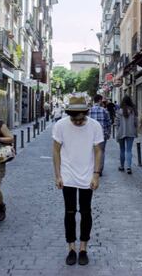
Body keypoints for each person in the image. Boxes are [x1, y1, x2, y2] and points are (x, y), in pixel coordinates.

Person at [52, 95, 103, 266]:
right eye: (75, 119)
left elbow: (98, 151)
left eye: (81, 119)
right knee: (69, 212)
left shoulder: (95, 126)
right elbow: (56, 151)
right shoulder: (60, 125)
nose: (78, 122)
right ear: (69, 114)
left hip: (87, 175)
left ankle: (83, 248)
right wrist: (58, 175)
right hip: (68, 175)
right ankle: (71, 248)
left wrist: (96, 174)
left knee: (86, 212)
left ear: (86, 113)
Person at [89, 94, 111, 176]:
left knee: (92, 151)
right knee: (101, 151)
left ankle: (93, 168)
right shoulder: (104, 110)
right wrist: (108, 133)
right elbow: (108, 123)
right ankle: (99, 169)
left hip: (91, 135)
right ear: (99, 100)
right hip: (102, 134)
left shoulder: (89, 110)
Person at [116, 95, 138, 174]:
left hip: (121, 132)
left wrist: (118, 132)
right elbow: (136, 122)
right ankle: (129, 167)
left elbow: (117, 123)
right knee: (129, 150)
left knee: (122, 150)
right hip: (131, 132)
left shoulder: (119, 111)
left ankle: (122, 166)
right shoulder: (133, 111)